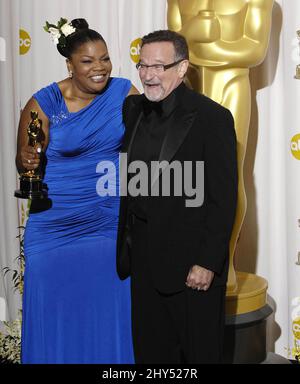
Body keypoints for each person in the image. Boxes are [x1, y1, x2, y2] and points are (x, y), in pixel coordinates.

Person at [16, 18, 138, 364]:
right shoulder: (43, 103)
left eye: (104, 58)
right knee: (55, 308)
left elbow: (152, 140)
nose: (99, 68)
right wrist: (27, 158)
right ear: (70, 65)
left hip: (107, 221)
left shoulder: (124, 91)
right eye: (88, 61)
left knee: (108, 310)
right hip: (54, 225)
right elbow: (25, 162)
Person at [116, 29, 238, 364]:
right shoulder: (132, 109)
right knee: (151, 356)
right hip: (142, 261)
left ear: (182, 68)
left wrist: (208, 262)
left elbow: (223, 198)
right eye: (142, 66)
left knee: (200, 355)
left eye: (159, 66)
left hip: (192, 267)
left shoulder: (212, 118)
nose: (148, 75)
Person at [167, 0, 274, 292]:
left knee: (228, 177)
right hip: (187, 90)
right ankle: (190, 256)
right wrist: (193, 31)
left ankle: (222, 263)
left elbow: (254, 50)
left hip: (231, 87)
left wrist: (200, 45)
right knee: (186, 175)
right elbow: (170, 49)